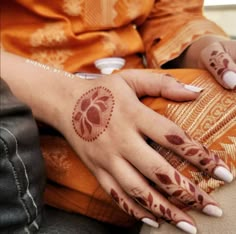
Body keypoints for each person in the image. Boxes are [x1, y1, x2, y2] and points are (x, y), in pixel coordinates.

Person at [1, 1, 235, 234]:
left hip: (140, 88)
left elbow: (171, 12)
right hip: (29, 106)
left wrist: (201, 45)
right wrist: (69, 99)